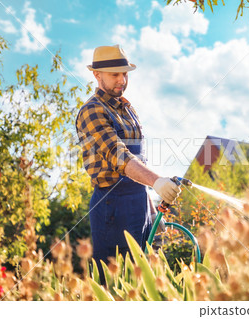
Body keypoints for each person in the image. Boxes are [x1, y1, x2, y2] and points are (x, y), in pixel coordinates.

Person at [75, 45, 181, 280]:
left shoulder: (128, 109)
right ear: (97, 74)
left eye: (125, 74)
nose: (122, 80)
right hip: (112, 206)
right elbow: (119, 155)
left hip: (139, 201)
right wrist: (157, 182)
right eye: (115, 74)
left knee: (142, 279)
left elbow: (138, 161)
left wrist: (152, 210)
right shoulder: (92, 111)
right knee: (115, 282)